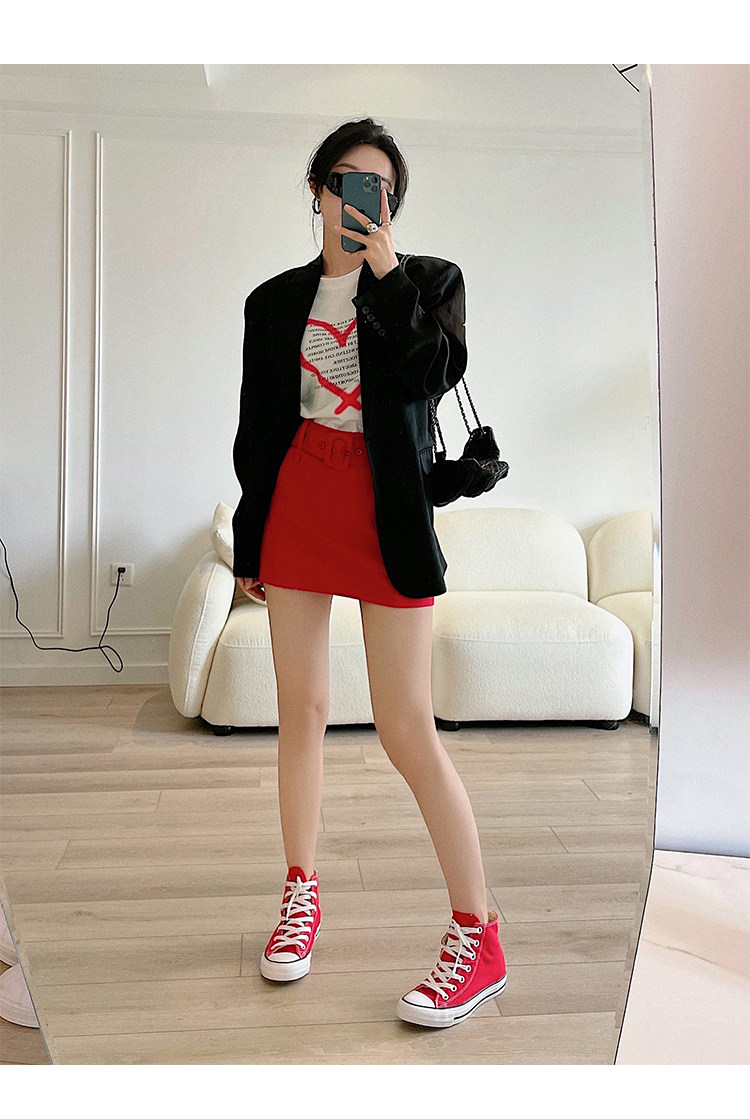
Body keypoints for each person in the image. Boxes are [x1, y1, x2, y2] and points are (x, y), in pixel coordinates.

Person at [232, 117, 506, 1028]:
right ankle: (300, 892)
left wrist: (385, 275)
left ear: (392, 205)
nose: (362, 197)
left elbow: (432, 371)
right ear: (317, 190)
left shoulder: (429, 282)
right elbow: (257, 429)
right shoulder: (273, 302)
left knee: (406, 727)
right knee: (302, 711)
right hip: (298, 499)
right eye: (347, 180)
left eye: (380, 188)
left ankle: (479, 933)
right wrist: (251, 537)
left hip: (387, 511)